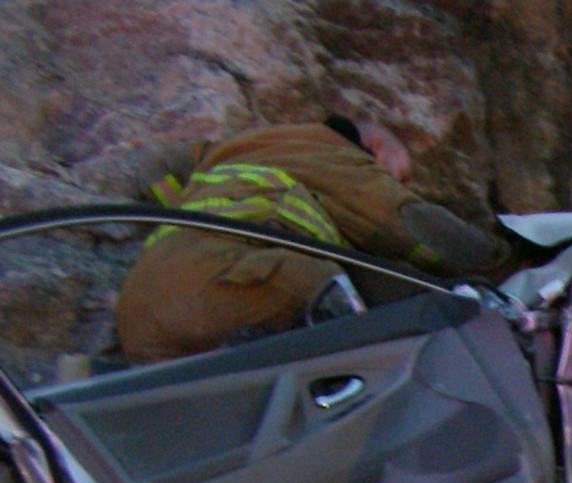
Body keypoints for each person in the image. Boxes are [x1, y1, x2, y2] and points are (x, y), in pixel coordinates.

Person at [114, 116, 513, 364]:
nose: (397, 184)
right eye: (399, 175)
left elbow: (155, 169)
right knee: (353, 303)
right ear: (375, 147)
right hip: (228, 282)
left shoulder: (235, 152)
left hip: (138, 316)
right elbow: (410, 225)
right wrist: (503, 263)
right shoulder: (333, 153)